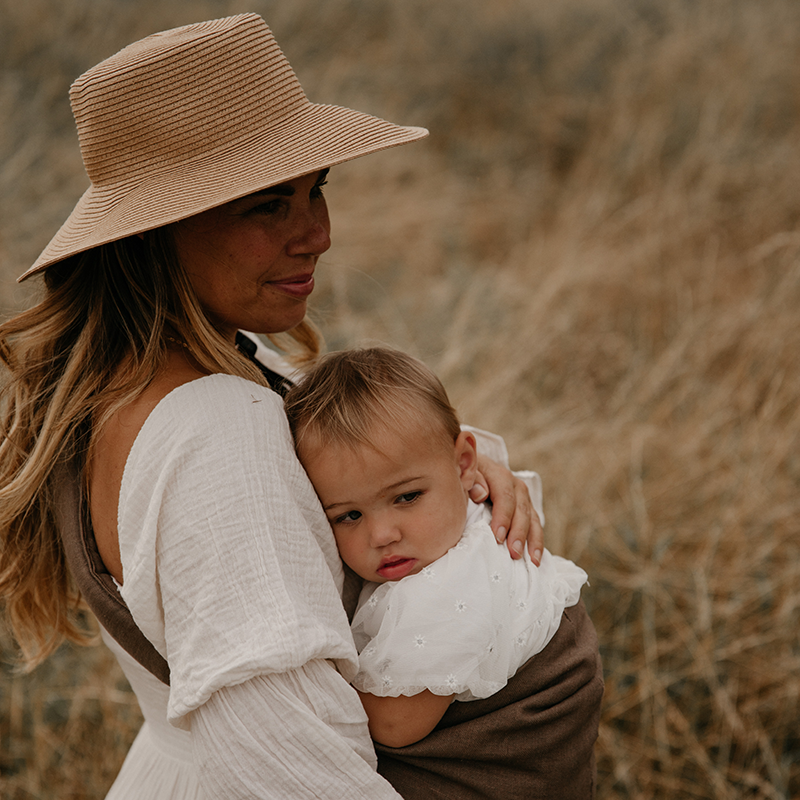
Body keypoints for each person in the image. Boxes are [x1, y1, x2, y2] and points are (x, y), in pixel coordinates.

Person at [0, 13, 546, 800]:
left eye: (315, 190)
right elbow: (289, 762)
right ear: (155, 234)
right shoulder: (218, 431)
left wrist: (465, 474)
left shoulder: (124, 385)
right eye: (266, 206)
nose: (316, 233)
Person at [285, 347, 602, 786]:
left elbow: (396, 726)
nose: (382, 535)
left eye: (407, 497)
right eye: (349, 516)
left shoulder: (454, 583)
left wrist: (299, 690)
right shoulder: (449, 521)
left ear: (464, 463)